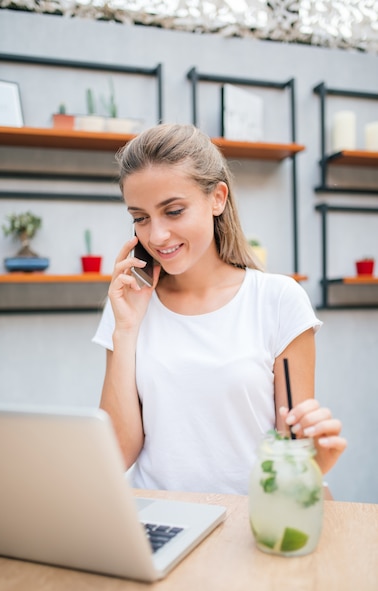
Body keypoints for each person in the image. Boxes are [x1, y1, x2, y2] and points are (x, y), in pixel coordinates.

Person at [93, 123, 347, 495]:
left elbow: (294, 448)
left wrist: (314, 462)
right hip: (156, 519)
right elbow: (115, 455)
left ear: (217, 198)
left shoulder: (277, 301)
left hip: (250, 520)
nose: (157, 235)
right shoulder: (128, 301)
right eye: (140, 217)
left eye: (174, 211)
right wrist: (125, 329)